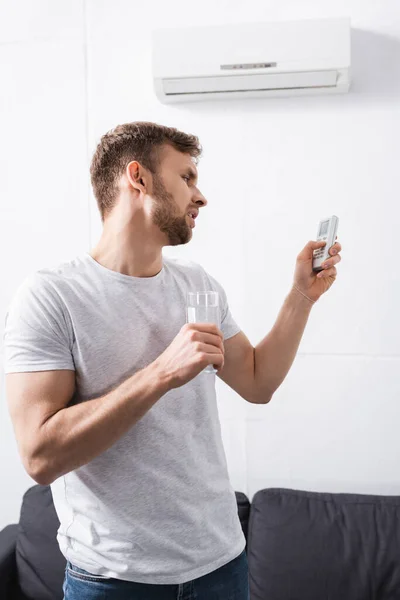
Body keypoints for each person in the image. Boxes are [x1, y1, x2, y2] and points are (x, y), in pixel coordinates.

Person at [4, 121, 342, 600]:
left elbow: (258, 382)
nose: (200, 196)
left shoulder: (196, 283)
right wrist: (162, 373)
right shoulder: (52, 297)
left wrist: (300, 297)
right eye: (186, 178)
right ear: (137, 178)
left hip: (222, 566)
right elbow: (39, 456)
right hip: (114, 581)